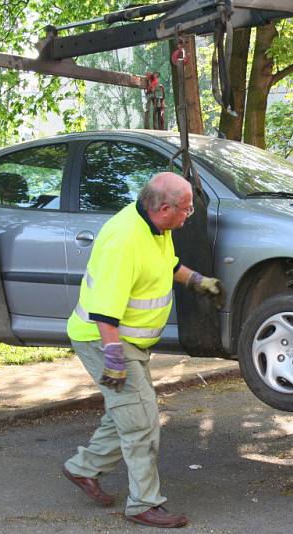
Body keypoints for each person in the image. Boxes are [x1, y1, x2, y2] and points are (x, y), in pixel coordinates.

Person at [62, 171, 222, 528]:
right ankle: (143, 504)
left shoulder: (156, 227)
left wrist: (197, 281)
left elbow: (169, 266)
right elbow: (105, 311)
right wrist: (114, 358)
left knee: (128, 410)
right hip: (105, 339)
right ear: (164, 208)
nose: (189, 215)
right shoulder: (124, 240)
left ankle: (83, 468)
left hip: (129, 341)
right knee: (142, 422)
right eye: (186, 209)